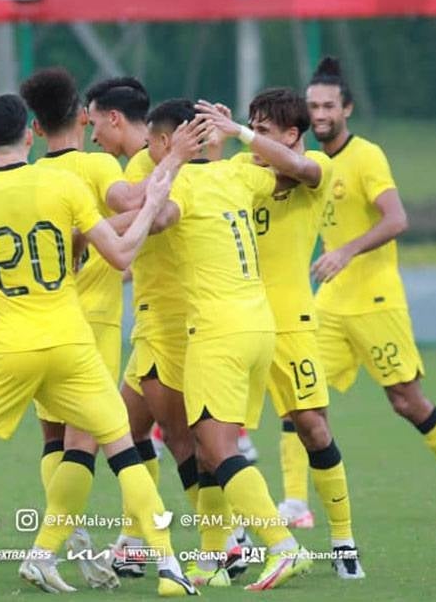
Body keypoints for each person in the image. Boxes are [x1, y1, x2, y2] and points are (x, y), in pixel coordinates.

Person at [0, 93, 198, 598]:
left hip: (8, 347)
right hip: (71, 341)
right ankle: (171, 568)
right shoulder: (63, 183)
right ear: (30, 135)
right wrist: (151, 205)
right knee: (124, 451)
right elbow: (122, 254)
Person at [302, 57, 436, 525]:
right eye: (312, 106)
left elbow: (397, 218)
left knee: (405, 400)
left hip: (375, 300)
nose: (319, 113)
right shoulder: (311, 163)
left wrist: (345, 252)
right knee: (299, 392)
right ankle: (294, 502)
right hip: (329, 302)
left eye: (328, 105)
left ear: (346, 107)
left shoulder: (367, 156)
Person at [199, 88, 365, 579]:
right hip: (239, 322)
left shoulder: (316, 167)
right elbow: (210, 186)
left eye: (264, 130)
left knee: (313, 428)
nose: (254, 140)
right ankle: (231, 546)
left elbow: (303, 172)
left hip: (292, 323)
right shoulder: (246, 172)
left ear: (291, 135)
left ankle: (342, 541)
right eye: (252, 127)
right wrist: (216, 145)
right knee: (216, 441)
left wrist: (240, 134)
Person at [151, 99, 314, 591]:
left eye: (155, 143)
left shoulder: (177, 181)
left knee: (219, 451)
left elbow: (153, 217)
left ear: (166, 141)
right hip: (258, 327)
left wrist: (174, 161)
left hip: (217, 333)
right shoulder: (241, 173)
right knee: (206, 449)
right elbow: (299, 171)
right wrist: (238, 135)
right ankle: (210, 560)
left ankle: (283, 547)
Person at [19, 67, 145, 590]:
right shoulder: (95, 165)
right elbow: (137, 205)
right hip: (91, 320)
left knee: (54, 439)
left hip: (38, 320)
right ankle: (49, 548)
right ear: (79, 115)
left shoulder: (26, 175)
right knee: (86, 442)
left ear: (37, 126)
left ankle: (72, 541)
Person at [84, 79, 200, 577]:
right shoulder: (165, 160)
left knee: (180, 437)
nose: (92, 139)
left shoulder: (139, 168)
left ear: (114, 120)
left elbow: (134, 228)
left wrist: (76, 234)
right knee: (128, 431)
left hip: (169, 322)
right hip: (160, 317)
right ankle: (134, 540)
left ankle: (229, 539)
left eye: (94, 125)